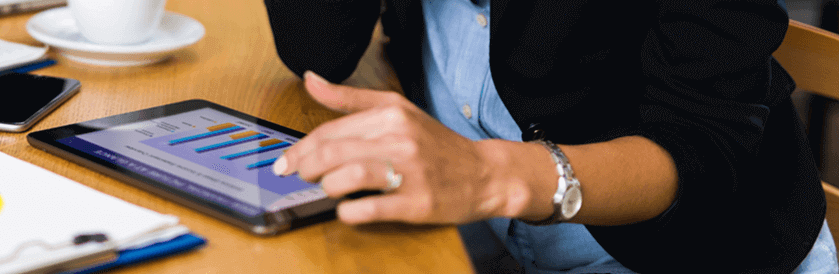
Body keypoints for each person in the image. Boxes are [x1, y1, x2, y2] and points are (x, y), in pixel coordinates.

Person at [263, 0, 835, 272]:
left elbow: (705, 144)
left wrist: (495, 177)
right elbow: (319, 51)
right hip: (477, 234)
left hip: (685, 249)